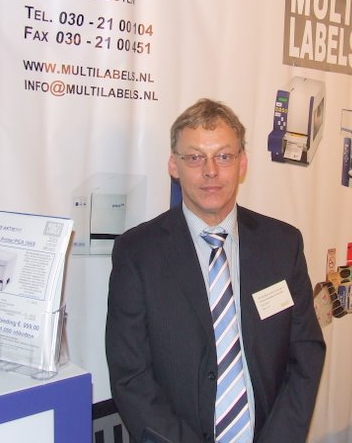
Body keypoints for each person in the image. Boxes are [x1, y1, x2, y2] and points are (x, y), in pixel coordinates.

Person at [105, 98, 326, 443]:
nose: (211, 171)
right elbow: (130, 376)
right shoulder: (138, 253)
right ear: (174, 166)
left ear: (242, 164)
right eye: (195, 157)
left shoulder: (283, 245)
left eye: (223, 156)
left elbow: (306, 352)